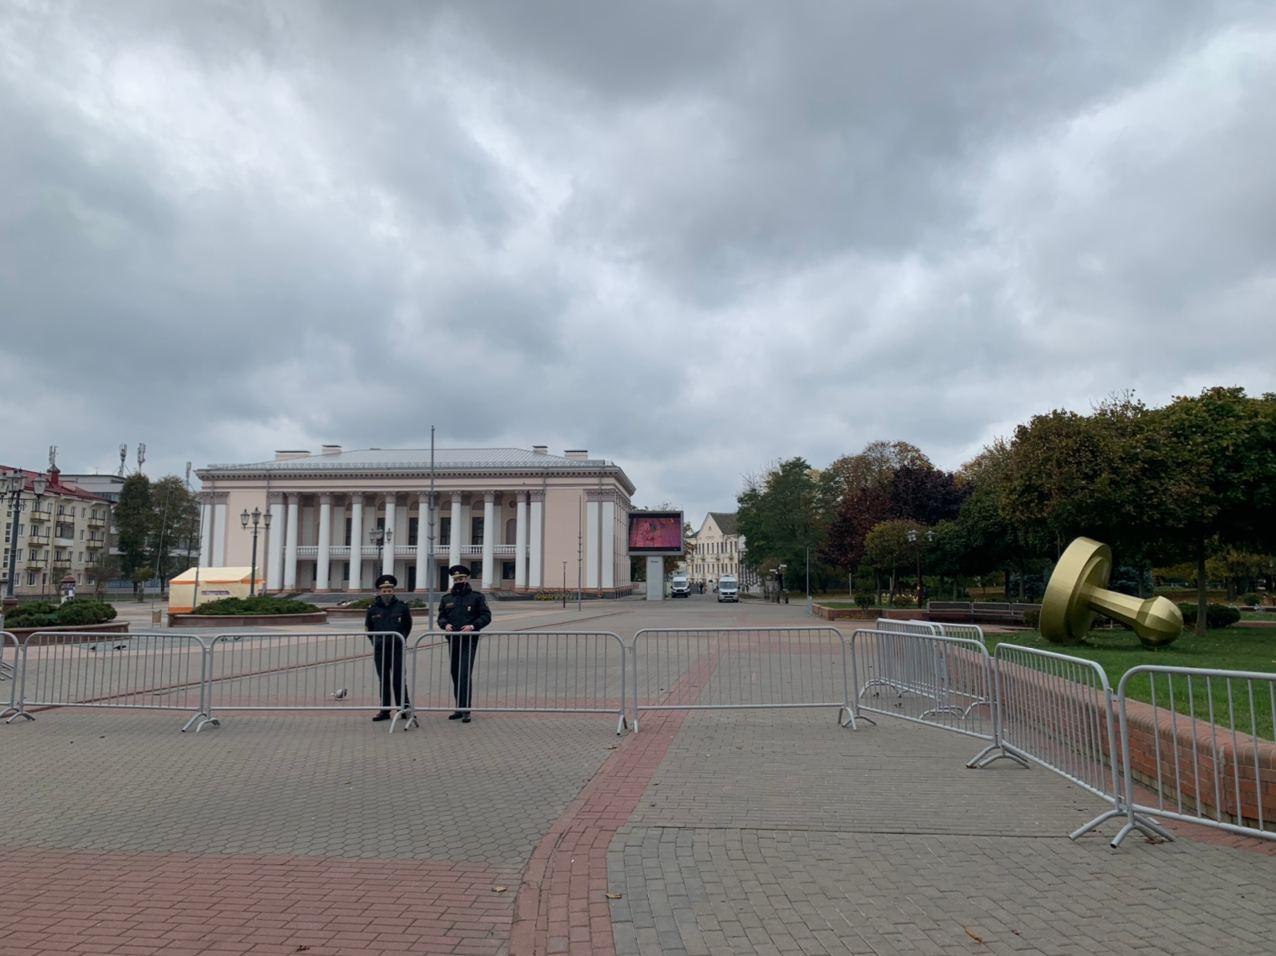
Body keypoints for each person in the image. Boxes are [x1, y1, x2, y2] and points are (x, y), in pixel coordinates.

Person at [436, 564, 491, 722]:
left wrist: (473, 626)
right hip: (453, 640)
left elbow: (486, 616)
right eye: (456, 579)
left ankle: (466, 709)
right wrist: (445, 625)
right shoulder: (447, 599)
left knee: (464, 673)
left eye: (461, 578)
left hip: (469, 640)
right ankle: (459, 708)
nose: (459, 581)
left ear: (467, 578)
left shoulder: (476, 597)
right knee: (455, 673)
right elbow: (441, 616)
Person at [364, 573, 412, 721]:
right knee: (383, 679)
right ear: (379, 591)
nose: (387, 593)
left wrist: (401, 639)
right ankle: (384, 711)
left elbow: (407, 626)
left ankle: (404, 708)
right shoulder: (372, 609)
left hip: (397, 648)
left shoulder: (402, 607)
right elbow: (368, 628)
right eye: (384, 591)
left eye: (389, 590)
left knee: (399, 679)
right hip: (380, 649)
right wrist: (376, 641)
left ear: (393, 591)